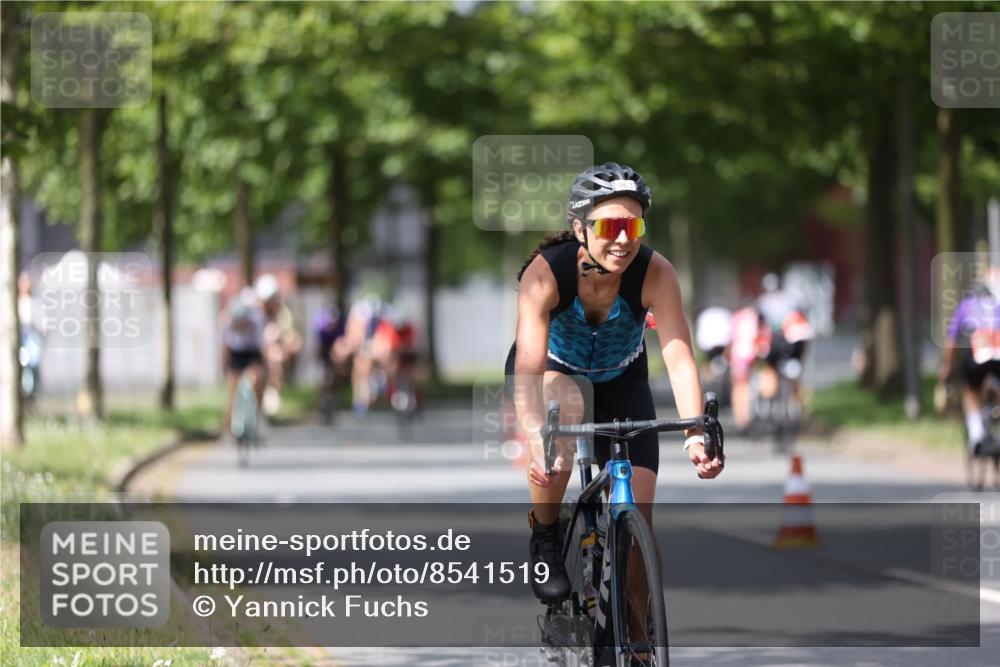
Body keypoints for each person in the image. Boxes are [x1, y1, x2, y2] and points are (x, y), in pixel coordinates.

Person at [506, 162, 723, 603]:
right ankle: (546, 534)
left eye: (634, 225)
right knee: (563, 407)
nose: (624, 239)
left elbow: (678, 356)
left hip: (623, 378)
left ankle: (638, 642)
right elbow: (528, 365)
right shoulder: (546, 274)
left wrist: (695, 432)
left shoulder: (655, 273)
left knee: (638, 514)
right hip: (552, 372)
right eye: (609, 225)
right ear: (580, 228)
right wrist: (534, 434)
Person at [938, 272, 1000, 454]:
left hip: (978, 357)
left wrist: (947, 367)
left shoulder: (965, 307)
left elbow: (952, 344)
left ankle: (977, 436)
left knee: (970, 391)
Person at [221, 287, 266, 435]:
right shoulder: (227, 324)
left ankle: (258, 413)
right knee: (232, 389)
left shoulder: (257, 320)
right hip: (236, 353)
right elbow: (225, 348)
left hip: (252, 352)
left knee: (257, 379)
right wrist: (224, 366)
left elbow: (262, 347)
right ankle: (228, 427)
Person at [256, 274, 302, 416]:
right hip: (254, 350)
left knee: (276, 358)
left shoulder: (283, 312)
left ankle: (273, 389)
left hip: (273, 352)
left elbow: (291, 336)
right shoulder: (253, 310)